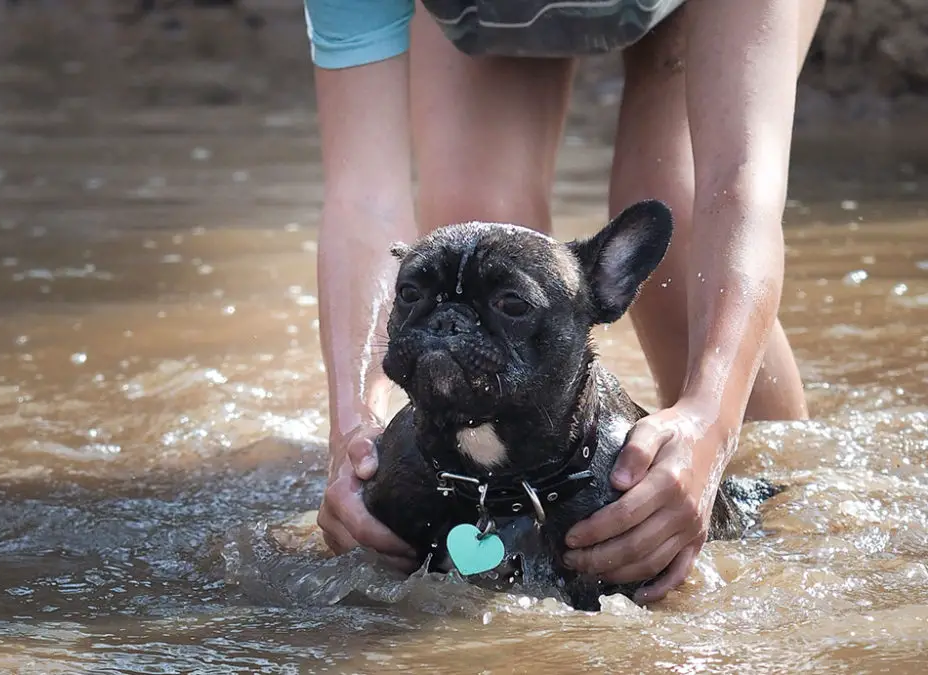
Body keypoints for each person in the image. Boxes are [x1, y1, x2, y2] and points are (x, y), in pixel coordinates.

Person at [305, 0, 824, 603]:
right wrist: (351, 432)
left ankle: (798, 489)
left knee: (672, 216)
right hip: (494, 19)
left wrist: (710, 425)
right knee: (472, 210)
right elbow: (363, 201)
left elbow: (739, 185)